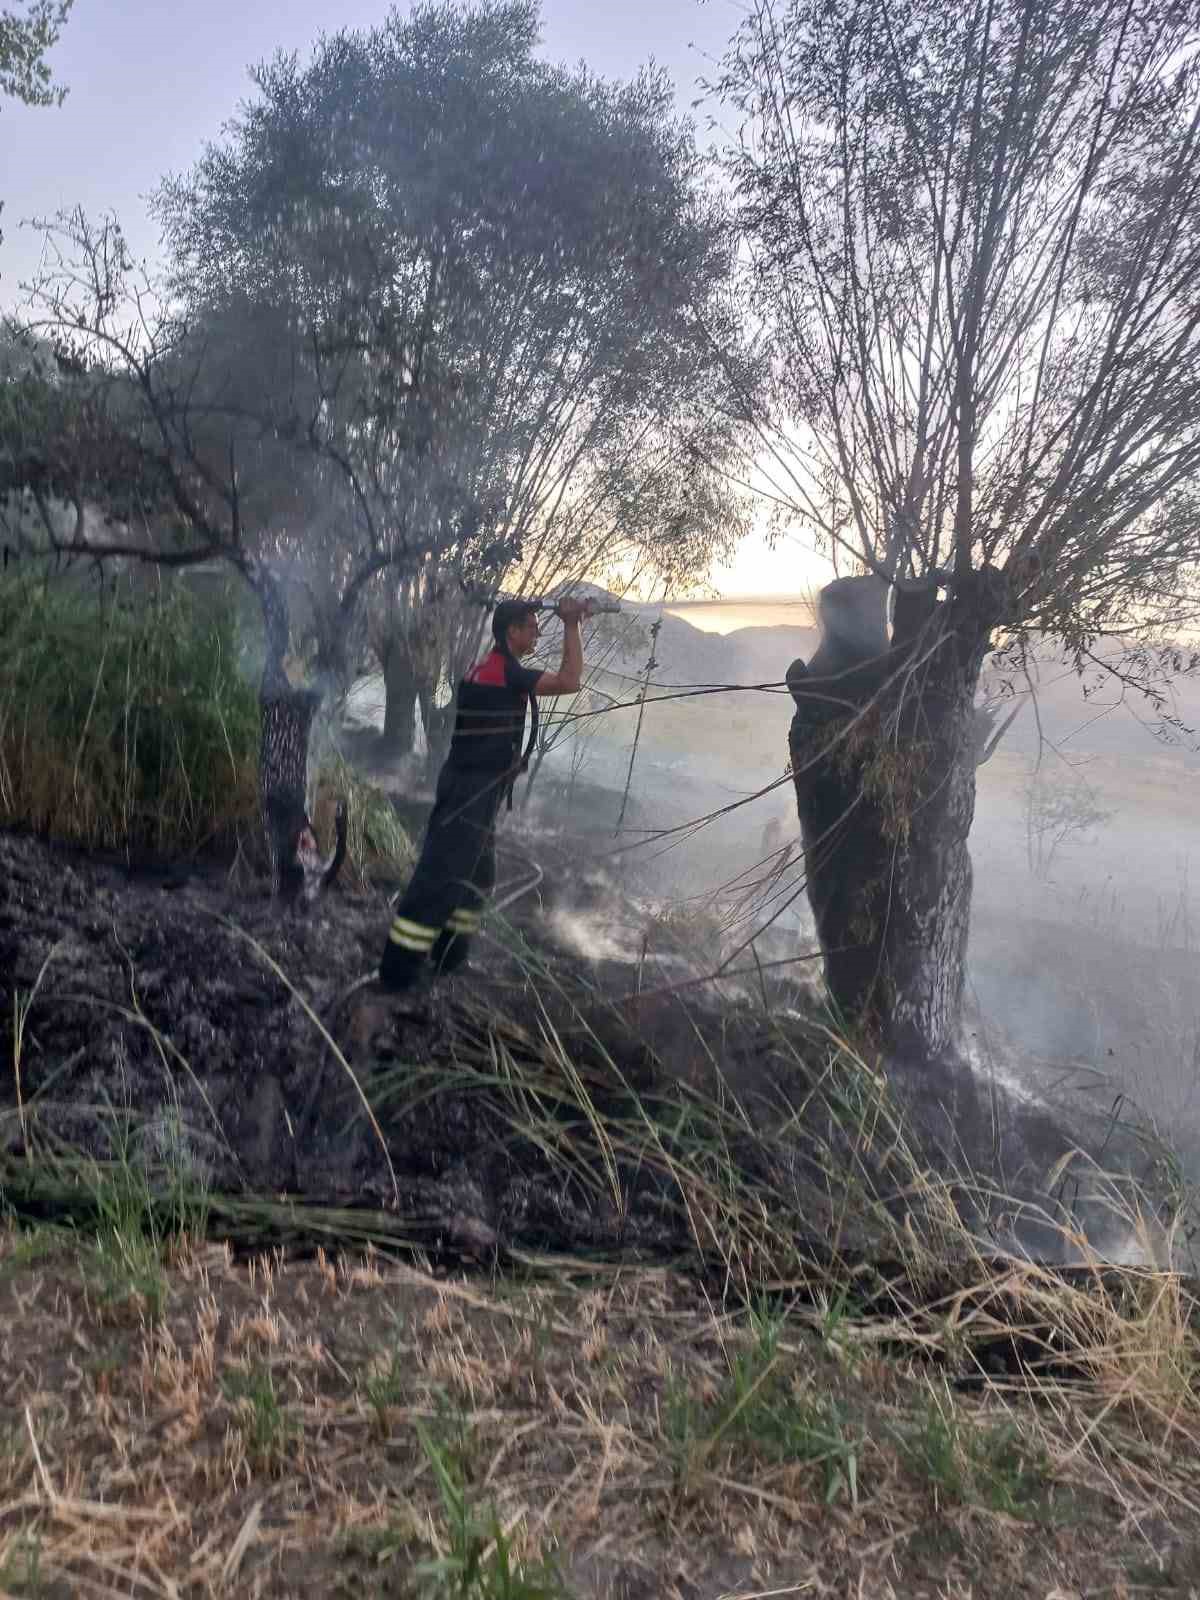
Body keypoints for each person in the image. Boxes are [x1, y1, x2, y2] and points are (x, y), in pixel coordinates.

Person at [378, 595, 594, 992]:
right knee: (440, 877)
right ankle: (397, 973)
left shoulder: (490, 668)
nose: (536, 631)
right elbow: (570, 681)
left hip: (474, 787)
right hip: (471, 791)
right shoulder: (504, 673)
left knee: (478, 875)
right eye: (531, 625)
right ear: (511, 631)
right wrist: (570, 624)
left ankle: (448, 960)